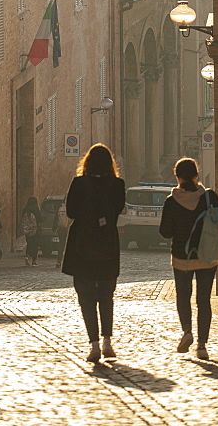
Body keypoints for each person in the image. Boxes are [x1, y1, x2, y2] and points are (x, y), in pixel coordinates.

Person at [61, 144, 125, 363]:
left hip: (82, 246)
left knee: (86, 298)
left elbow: (70, 212)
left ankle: (94, 345)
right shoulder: (117, 185)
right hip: (107, 244)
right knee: (107, 296)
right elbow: (117, 211)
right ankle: (108, 341)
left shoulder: (79, 184)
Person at [158, 157, 218, 360]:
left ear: (177, 177)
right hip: (207, 255)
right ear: (197, 175)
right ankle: (202, 346)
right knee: (203, 300)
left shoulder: (172, 201)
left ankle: (187, 331)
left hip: (182, 257)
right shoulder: (209, 197)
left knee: (183, 297)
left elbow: (165, 232)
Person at [21, 196, 42, 266]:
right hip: (35, 230)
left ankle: (27, 256)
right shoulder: (36, 209)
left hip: (27, 229)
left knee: (29, 243)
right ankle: (34, 261)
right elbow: (40, 219)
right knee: (35, 245)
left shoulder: (25, 209)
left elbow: (22, 219)